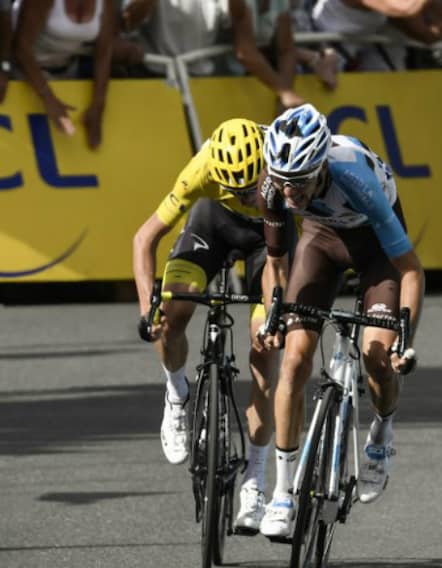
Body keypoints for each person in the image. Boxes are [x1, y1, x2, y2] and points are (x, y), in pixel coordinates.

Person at [254, 103, 424, 539]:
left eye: (300, 183)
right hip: (321, 242)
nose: (289, 194)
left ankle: (382, 431)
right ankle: (283, 491)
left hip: (376, 249)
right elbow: (275, 263)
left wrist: (405, 339)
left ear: (321, 168)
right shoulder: (274, 186)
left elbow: (409, 269)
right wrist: (274, 313)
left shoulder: (354, 177)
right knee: (293, 360)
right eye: (283, 183)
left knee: (376, 357)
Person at [132, 118, 295, 534]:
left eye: (249, 185)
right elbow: (143, 239)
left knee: (265, 348)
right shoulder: (201, 169)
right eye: (235, 188)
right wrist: (146, 309)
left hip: (272, 238)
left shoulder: (284, 159)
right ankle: (176, 392)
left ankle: (255, 481)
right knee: (171, 317)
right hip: (214, 223)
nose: (245, 194)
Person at [13, 0, 118, 149]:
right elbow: (21, 48)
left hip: (67, 72)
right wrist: (48, 98)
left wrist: (98, 105)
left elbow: (104, 52)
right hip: (26, 76)